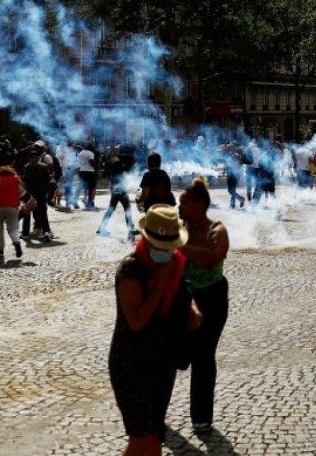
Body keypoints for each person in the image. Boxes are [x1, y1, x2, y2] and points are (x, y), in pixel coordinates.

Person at [109, 205, 201, 455]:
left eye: (169, 246)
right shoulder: (131, 269)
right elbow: (136, 322)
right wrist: (160, 283)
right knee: (143, 438)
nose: (166, 251)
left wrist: (192, 310)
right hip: (132, 362)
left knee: (153, 439)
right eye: (161, 246)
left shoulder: (174, 263)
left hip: (162, 361)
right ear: (146, 239)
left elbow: (183, 292)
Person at [177, 178, 230, 434]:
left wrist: (181, 246)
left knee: (204, 355)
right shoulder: (178, 229)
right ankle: (155, 412)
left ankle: (201, 417)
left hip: (212, 298)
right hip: (182, 297)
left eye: (184, 203)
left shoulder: (217, 230)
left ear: (199, 205)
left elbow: (212, 259)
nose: (179, 208)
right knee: (172, 355)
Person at [99, 147, 138, 239]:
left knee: (111, 209)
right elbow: (132, 162)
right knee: (127, 209)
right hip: (120, 190)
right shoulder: (122, 163)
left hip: (115, 189)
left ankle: (102, 227)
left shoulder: (115, 163)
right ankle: (131, 229)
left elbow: (105, 175)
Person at [21, 147, 54, 242]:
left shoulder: (27, 167)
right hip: (41, 194)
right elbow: (47, 181)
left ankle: (25, 233)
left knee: (27, 213)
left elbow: (25, 181)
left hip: (30, 195)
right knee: (43, 213)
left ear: (29, 158)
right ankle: (46, 231)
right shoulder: (43, 166)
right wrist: (47, 193)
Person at [0, 165, 24, 262]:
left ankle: (0, 250)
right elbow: (22, 192)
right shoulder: (16, 179)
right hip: (13, 206)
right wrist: (15, 196)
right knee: (12, 228)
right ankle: (16, 242)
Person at [77, 143, 98, 210]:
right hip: (90, 171)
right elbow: (92, 163)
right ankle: (91, 202)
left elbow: (78, 163)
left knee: (85, 187)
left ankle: (85, 200)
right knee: (92, 187)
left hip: (82, 171)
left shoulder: (80, 153)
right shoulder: (90, 153)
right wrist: (95, 164)